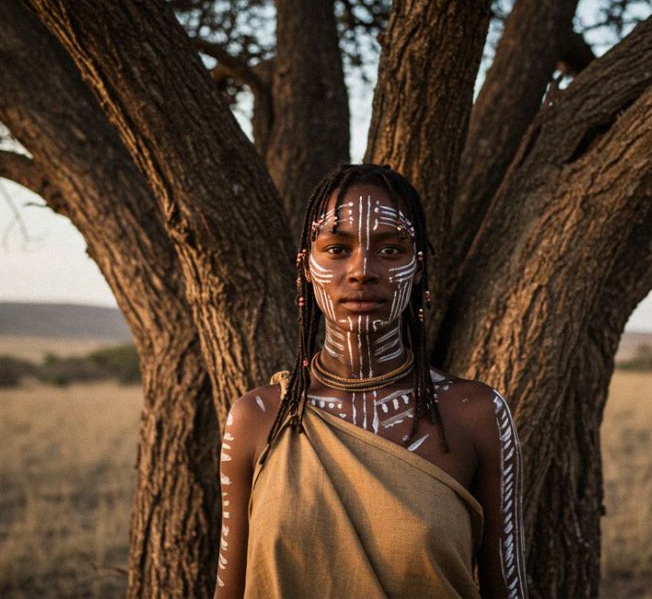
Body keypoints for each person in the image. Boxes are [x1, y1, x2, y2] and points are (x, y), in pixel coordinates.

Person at [214, 164, 527, 598]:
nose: (363, 270)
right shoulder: (258, 417)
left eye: (391, 249)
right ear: (307, 267)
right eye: (338, 249)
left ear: (418, 268)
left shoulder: (475, 415)